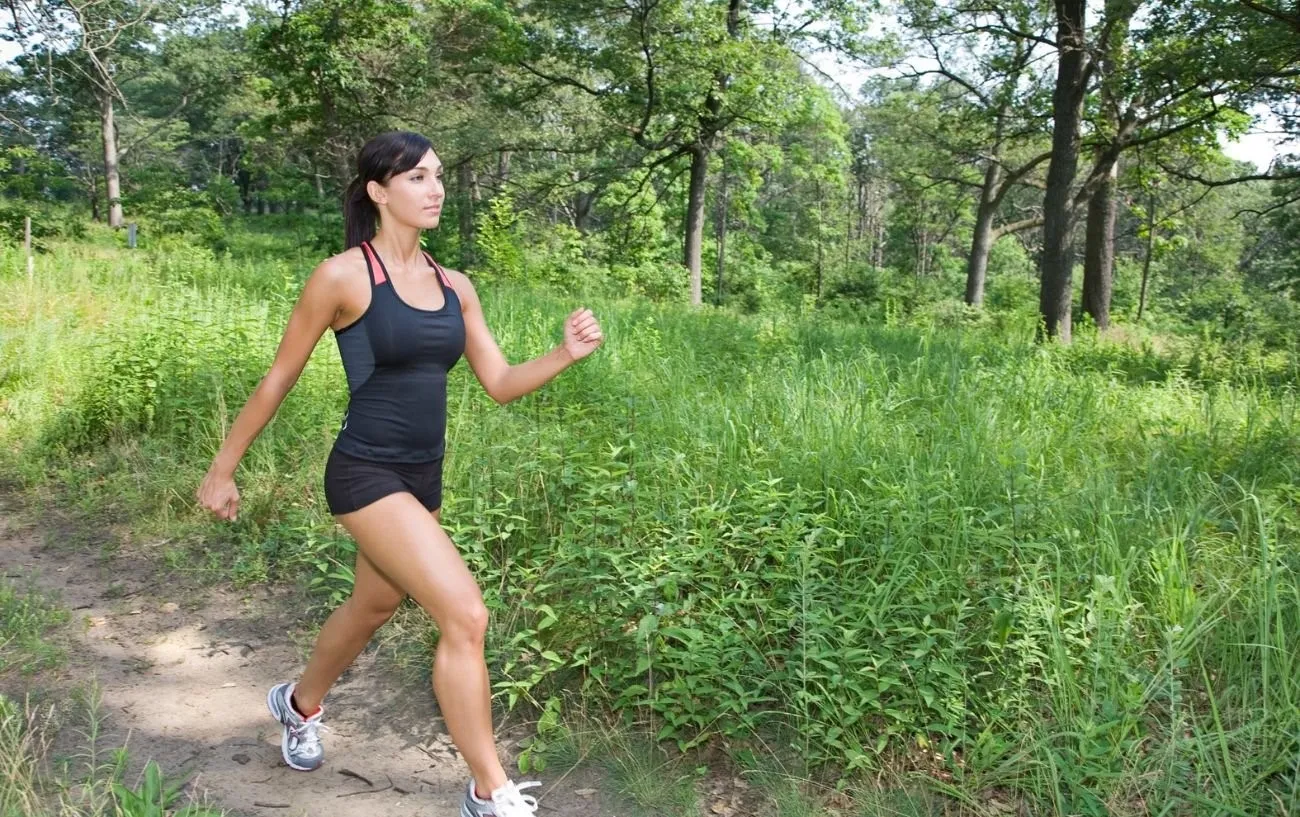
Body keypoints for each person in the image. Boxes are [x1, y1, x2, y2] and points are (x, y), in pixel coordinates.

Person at [196, 130, 603, 817]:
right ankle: (488, 790)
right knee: (465, 614)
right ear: (378, 191)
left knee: (374, 605)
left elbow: (499, 381)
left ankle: (296, 705)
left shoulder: (455, 286)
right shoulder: (343, 276)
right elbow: (278, 378)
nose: (434, 187)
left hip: (423, 477)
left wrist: (563, 353)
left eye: (438, 175)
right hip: (364, 471)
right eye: (416, 177)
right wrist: (222, 469)